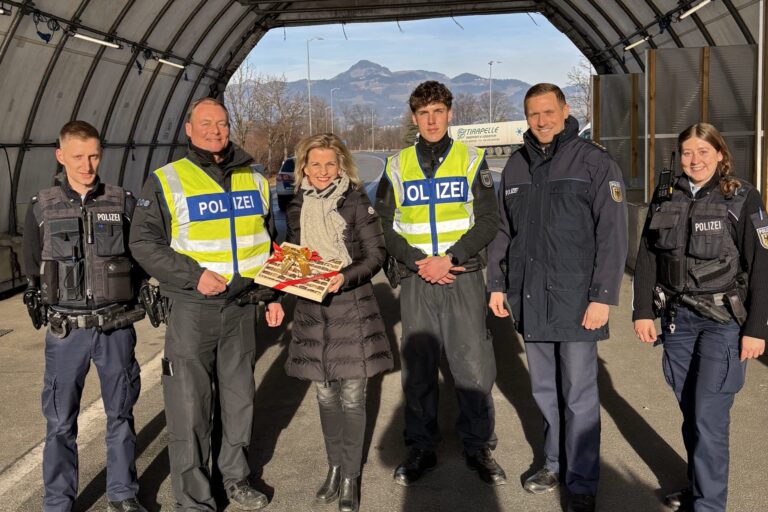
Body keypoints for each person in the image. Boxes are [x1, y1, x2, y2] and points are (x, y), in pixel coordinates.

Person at [128, 97, 284, 511]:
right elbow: (143, 242)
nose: (215, 130)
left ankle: (235, 479)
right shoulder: (167, 180)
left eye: (222, 123)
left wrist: (271, 294)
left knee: (239, 402)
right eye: (206, 123)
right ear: (189, 129)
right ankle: (195, 499)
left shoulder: (254, 177)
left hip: (242, 309)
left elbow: (267, 242)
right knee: (189, 407)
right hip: (193, 309)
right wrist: (193, 275)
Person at [487, 83, 628, 512]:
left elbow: (613, 233)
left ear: (566, 111)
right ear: (526, 117)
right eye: (534, 114)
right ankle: (553, 463)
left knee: (580, 395)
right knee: (545, 390)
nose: (542, 121)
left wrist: (603, 295)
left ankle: (582, 482)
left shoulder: (593, 162)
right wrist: (496, 283)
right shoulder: (515, 166)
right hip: (529, 299)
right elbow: (502, 231)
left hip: (578, 302)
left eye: (549, 112)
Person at [375, 80, 506, 487]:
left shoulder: (471, 159)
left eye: (438, 112)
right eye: (423, 113)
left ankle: (478, 445)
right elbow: (383, 226)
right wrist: (418, 262)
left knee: (471, 364)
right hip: (418, 279)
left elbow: (488, 220)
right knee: (419, 367)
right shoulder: (396, 165)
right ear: (414, 119)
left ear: (450, 114)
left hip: (461, 274)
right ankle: (420, 447)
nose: (431, 120)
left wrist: (449, 258)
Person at [633, 123, 767, 512]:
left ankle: (709, 506)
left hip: (722, 323)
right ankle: (697, 489)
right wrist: (642, 311)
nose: (695, 160)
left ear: (720, 155)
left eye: (704, 152)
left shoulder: (742, 197)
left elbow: (762, 267)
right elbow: (646, 257)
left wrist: (756, 330)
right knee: (692, 413)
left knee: (709, 417)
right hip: (677, 321)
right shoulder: (664, 196)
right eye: (688, 153)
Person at [22, 121, 146, 512]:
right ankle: (58, 501)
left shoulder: (122, 201)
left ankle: (123, 494)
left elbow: (139, 259)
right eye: (78, 156)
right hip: (66, 332)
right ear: (61, 156)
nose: (86, 164)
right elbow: (31, 264)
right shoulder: (41, 206)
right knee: (59, 424)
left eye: (93, 155)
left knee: (120, 415)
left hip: (115, 327)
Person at [284, 133, 393, 512]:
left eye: (331, 164)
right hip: (313, 310)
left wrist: (343, 277)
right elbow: (297, 255)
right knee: (325, 395)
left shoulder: (356, 201)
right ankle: (333, 466)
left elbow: (375, 254)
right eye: (316, 164)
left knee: (352, 397)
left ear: (341, 165)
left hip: (352, 307)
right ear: (304, 168)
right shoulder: (297, 205)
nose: (323, 171)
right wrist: (284, 277)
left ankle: (350, 475)